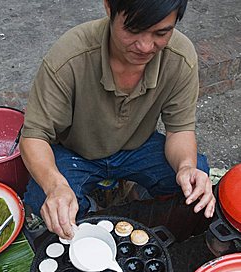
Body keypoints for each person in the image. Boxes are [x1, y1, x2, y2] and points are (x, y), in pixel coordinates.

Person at [19, 0, 215, 240]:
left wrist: (185, 167)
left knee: (196, 179)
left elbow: (180, 130)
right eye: (133, 30)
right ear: (109, 8)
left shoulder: (180, 57)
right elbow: (34, 135)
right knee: (45, 200)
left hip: (138, 146)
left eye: (161, 33)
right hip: (76, 153)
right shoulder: (69, 57)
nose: (145, 46)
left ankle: (142, 211)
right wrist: (56, 186)